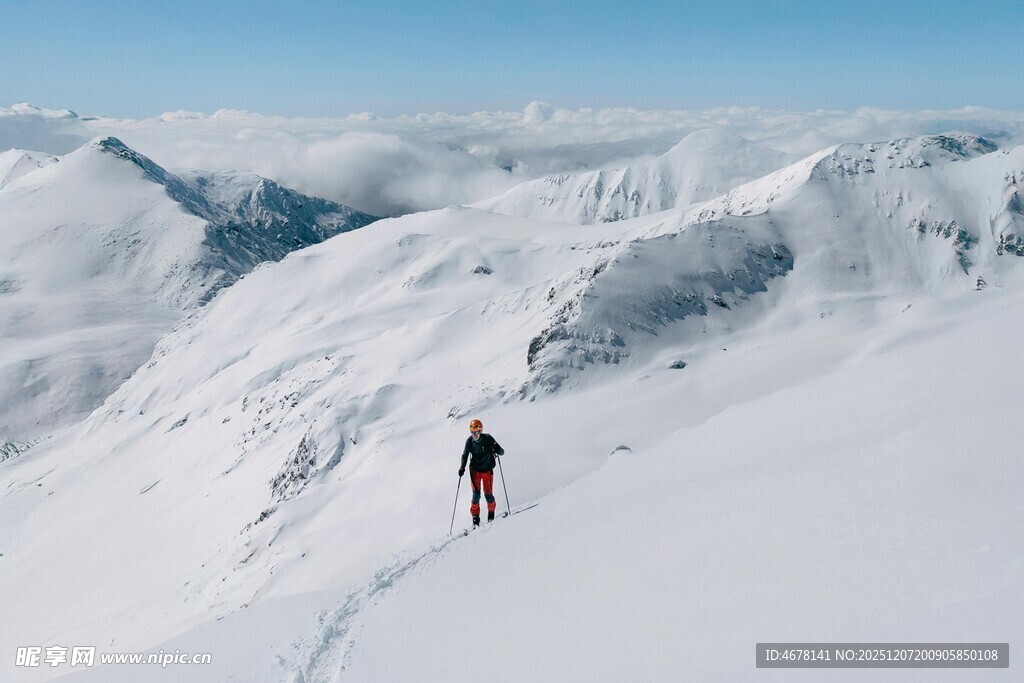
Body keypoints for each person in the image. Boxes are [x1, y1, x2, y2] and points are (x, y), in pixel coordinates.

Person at [458, 418, 504, 526]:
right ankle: (475, 521)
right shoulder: (469, 441)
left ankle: (491, 516)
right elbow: (465, 455)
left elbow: (501, 451)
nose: (474, 435)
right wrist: (462, 468)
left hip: (487, 470)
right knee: (476, 495)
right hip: (475, 470)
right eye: (472, 433)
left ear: (480, 431)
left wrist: (497, 449)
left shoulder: (488, 438)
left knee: (488, 495)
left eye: (476, 432)